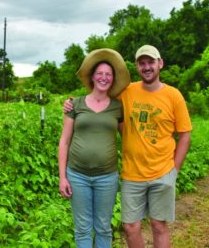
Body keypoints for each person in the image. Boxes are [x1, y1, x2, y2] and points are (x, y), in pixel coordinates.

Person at [64, 45, 192, 248]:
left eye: (151, 62)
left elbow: (185, 134)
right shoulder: (127, 92)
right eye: (142, 63)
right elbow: (98, 98)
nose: (147, 67)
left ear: (160, 64)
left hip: (163, 171)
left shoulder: (174, 95)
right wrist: (71, 103)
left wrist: (174, 170)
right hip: (132, 173)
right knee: (131, 227)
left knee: (159, 225)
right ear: (137, 67)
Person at [58, 48, 130, 248]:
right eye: (100, 73)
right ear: (92, 77)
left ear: (113, 79)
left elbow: (128, 138)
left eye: (108, 74)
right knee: (82, 228)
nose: (104, 77)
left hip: (107, 177)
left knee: (103, 227)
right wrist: (62, 177)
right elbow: (64, 141)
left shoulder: (118, 107)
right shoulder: (75, 104)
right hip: (77, 176)